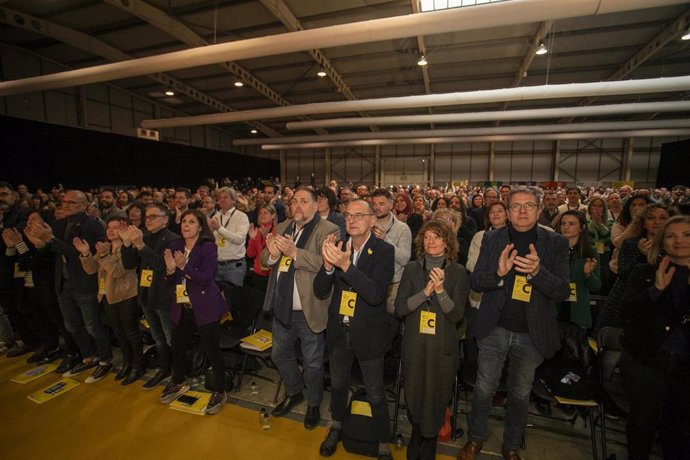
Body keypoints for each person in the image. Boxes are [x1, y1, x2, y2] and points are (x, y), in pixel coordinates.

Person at [458, 186, 570, 460]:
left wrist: (537, 272)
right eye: (516, 206)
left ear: (539, 209)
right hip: (494, 327)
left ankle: (511, 445)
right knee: (484, 388)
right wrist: (498, 273)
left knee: (520, 394)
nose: (522, 211)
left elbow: (563, 291)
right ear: (506, 212)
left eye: (528, 205)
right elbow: (475, 282)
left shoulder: (555, 243)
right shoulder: (492, 238)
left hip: (531, 332)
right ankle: (475, 439)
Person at [314, 199, 395, 460]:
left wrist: (346, 266)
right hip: (339, 332)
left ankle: (383, 441)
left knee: (375, 392)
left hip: (369, 334)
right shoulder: (337, 247)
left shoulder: (384, 251)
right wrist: (327, 267)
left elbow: (376, 294)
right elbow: (320, 290)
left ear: (373, 220)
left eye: (359, 215)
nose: (352, 219)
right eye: (348, 215)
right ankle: (336, 425)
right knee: (338, 385)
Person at [260, 188, 339, 429]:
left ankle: (314, 403)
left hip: (309, 311)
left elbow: (327, 263)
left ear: (316, 206)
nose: (297, 205)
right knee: (279, 354)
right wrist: (273, 254)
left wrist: (294, 253)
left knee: (313, 363)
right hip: (282, 307)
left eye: (304, 201)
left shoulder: (328, 230)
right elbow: (265, 259)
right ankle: (295, 391)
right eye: (294, 201)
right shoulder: (283, 226)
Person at [395, 220, 468, 460]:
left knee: (437, 393)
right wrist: (424, 293)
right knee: (414, 389)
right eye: (426, 237)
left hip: (442, 347)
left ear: (447, 243)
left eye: (436, 237)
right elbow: (400, 309)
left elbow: (457, 315)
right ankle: (417, 431)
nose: (431, 241)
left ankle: (430, 438)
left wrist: (439, 291)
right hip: (415, 344)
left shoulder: (457, 272)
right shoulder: (412, 269)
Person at [619, 215, 690, 460]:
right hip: (646, 360)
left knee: (679, 429)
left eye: (686, 234)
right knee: (642, 424)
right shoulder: (645, 272)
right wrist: (656, 290)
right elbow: (626, 309)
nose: (679, 240)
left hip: (684, 364)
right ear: (662, 242)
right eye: (671, 235)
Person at [26, 190, 110, 377]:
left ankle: (105, 358)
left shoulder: (92, 226)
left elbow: (86, 257)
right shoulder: (58, 224)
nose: (66, 205)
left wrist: (51, 240)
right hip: (63, 282)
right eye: (64, 201)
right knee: (72, 325)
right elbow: (50, 253)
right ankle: (89, 356)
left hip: (85, 283)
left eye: (71, 202)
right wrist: (40, 245)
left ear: (84, 205)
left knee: (92, 326)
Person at [159, 209, 228, 415]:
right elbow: (169, 281)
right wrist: (171, 270)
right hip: (181, 305)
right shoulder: (174, 246)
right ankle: (178, 381)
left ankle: (220, 390)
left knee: (211, 349)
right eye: (184, 221)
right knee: (177, 346)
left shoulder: (208, 247)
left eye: (191, 222)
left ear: (200, 226)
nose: (186, 225)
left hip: (205, 305)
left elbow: (206, 278)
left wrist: (184, 266)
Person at [74, 217, 143, 384]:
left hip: (126, 295)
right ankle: (127, 363)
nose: (111, 230)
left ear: (124, 229)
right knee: (119, 332)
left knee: (131, 333)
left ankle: (137, 366)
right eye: (109, 228)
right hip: (108, 296)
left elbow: (119, 272)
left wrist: (105, 256)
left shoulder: (129, 248)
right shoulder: (105, 248)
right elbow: (91, 269)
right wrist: (86, 253)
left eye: (116, 227)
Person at [120, 204, 180, 389]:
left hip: (164, 296)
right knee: (158, 337)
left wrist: (140, 245)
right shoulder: (143, 236)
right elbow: (129, 264)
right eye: (147, 217)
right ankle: (164, 368)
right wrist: (127, 244)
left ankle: (178, 373)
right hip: (146, 294)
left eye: (153, 217)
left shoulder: (174, 239)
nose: (148, 220)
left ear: (165, 219)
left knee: (171, 339)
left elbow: (162, 267)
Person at [594, 203, 675, 334]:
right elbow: (624, 274)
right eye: (651, 218)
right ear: (643, 223)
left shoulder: (675, 248)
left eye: (662, 218)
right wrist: (642, 256)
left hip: (660, 305)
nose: (657, 222)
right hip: (624, 302)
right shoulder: (631, 244)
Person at [556, 211, 601, 329]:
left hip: (577, 313)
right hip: (553, 310)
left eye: (571, 224)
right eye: (563, 224)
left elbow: (596, 286)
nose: (566, 227)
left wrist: (588, 274)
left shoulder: (590, 253)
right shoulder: (552, 250)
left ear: (582, 228)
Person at [371, 189, 412, 314]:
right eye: (374, 204)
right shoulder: (366, 225)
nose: (377, 207)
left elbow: (405, 259)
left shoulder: (402, 228)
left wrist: (386, 240)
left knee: (392, 321)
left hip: (393, 285)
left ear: (391, 205)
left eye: (381, 204)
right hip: (371, 281)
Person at [208, 187, 250, 288]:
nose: (222, 200)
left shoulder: (241, 216)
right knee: (217, 300)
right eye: (220, 198)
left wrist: (219, 228)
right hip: (216, 265)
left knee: (233, 299)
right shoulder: (216, 217)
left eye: (225, 197)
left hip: (234, 266)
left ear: (233, 200)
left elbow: (239, 240)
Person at [246, 204, 277, 293]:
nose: (262, 216)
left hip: (272, 274)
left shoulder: (277, 231)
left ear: (273, 215)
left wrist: (265, 237)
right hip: (257, 273)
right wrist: (252, 239)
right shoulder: (256, 231)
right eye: (260, 213)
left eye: (265, 213)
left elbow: (274, 254)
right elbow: (250, 254)